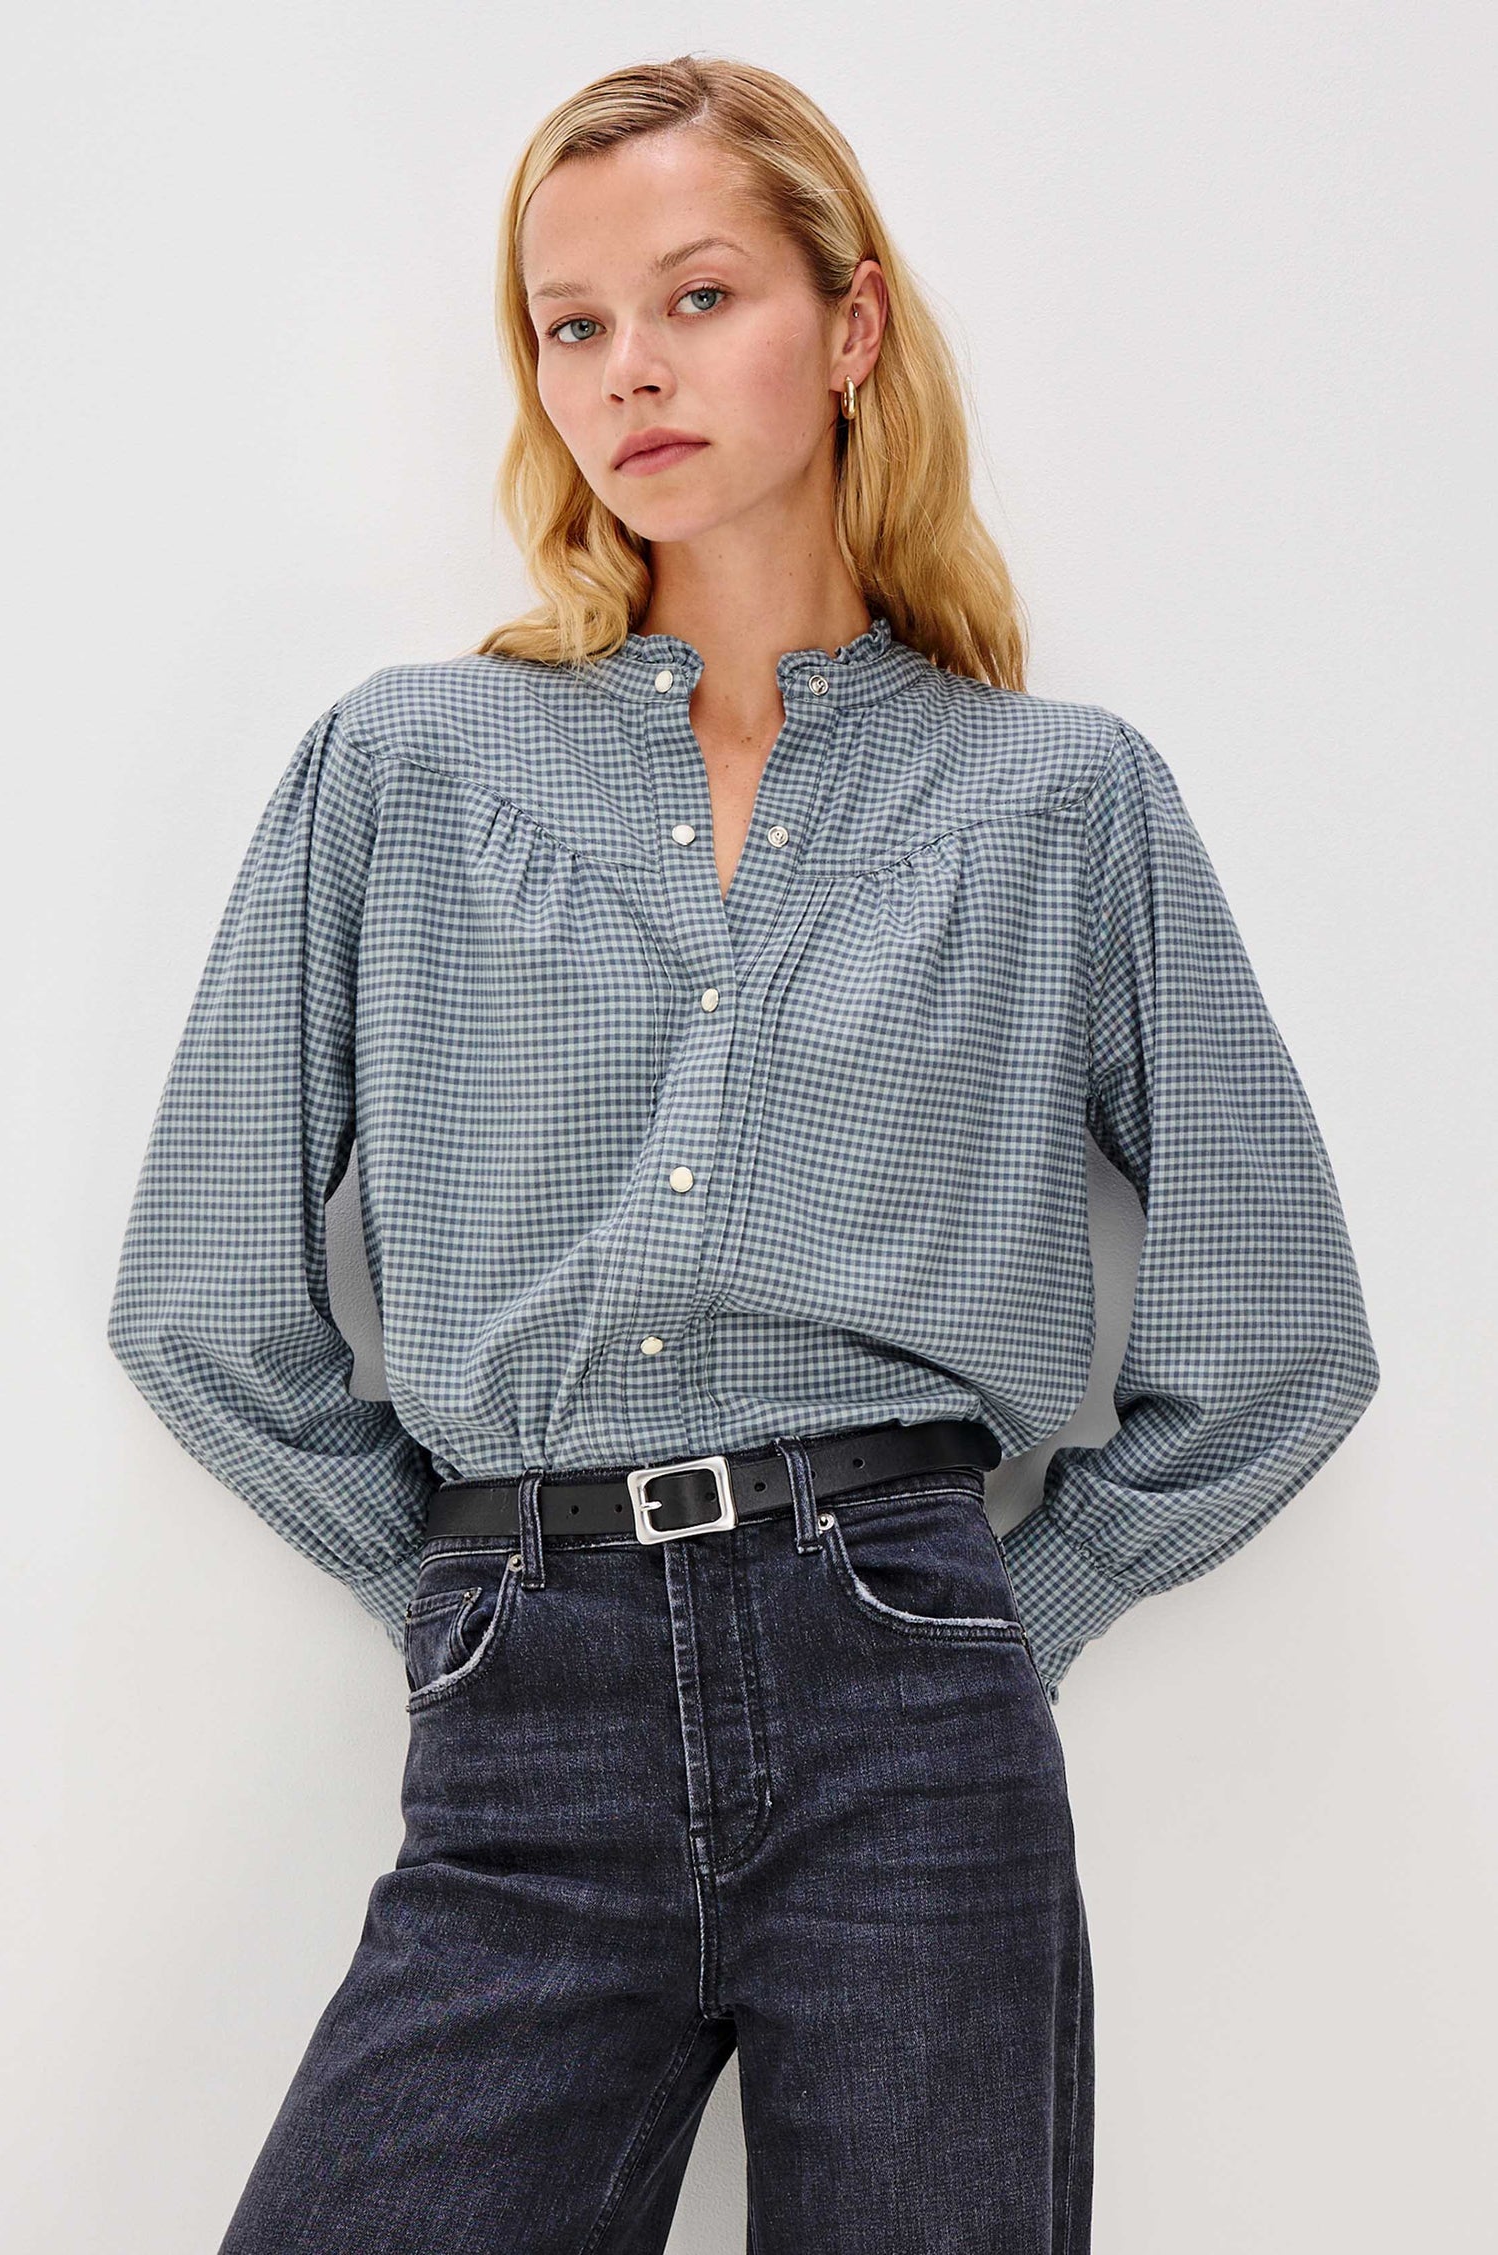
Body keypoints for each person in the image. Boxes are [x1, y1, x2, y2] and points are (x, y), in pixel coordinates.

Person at [106, 52, 1379, 2255]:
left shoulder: (1060, 802)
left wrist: (1005, 1616)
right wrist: (465, 1594)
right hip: (526, 1713)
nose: (631, 370)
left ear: (851, 323)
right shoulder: (405, 766)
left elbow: (1278, 1343)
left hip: (912, 1711)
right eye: (572, 323)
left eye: (698, 296)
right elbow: (203, 1299)